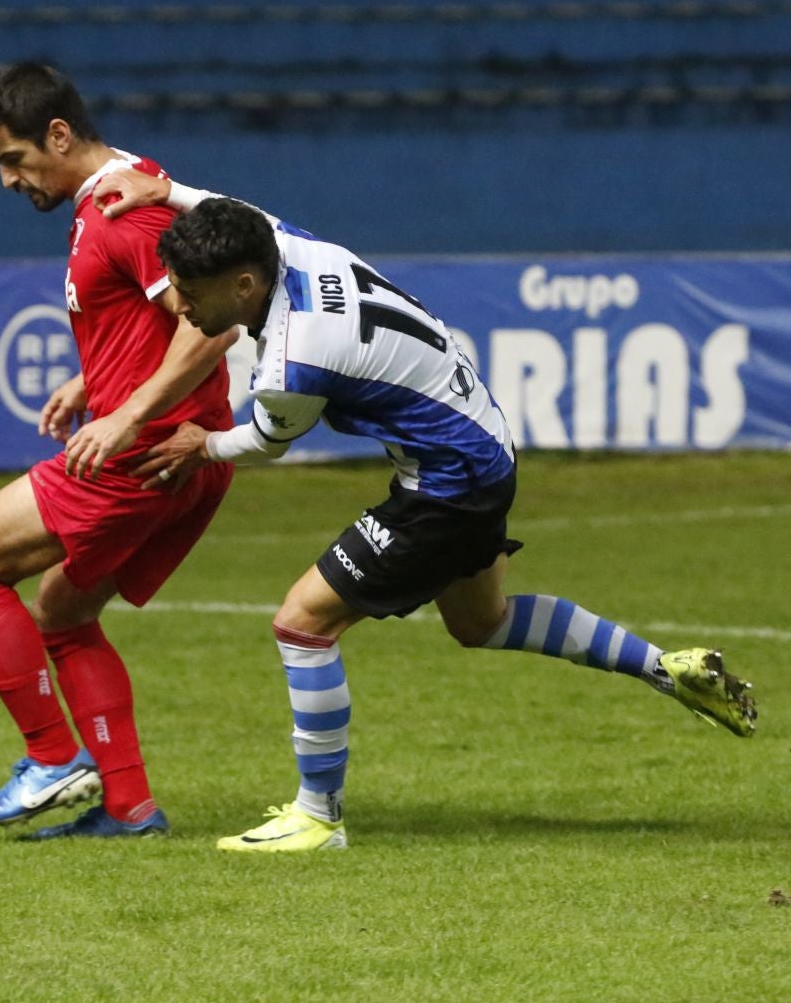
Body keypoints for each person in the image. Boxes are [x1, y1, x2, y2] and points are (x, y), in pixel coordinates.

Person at [105, 179, 756, 853]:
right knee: (483, 622)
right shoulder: (294, 247)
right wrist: (164, 189)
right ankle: (665, 668)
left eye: (187, 288)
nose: (177, 304)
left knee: (301, 625)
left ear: (243, 285)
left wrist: (202, 445)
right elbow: (246, 213)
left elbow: (269, 440)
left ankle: (318, 815)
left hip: (447, 483)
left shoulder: (293, 360)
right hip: (485, 446)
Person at [0, 62, 238, 841]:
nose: (8, 180)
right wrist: (89, 381)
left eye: (13, 159)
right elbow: (154, 318)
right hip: (182, 457)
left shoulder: (120, 212)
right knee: (64, 612)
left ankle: (51, 757)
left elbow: (211, 323)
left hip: (141, 460)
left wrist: (126, 415)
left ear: (59, 135)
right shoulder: (129, 188)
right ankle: (130, 806)